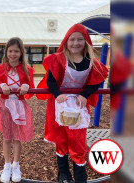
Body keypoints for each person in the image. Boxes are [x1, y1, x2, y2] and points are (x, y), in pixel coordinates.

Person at [37, 24, 108, 183]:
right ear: (66, 42)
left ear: (86, 41)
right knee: (61, 139)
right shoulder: (59, 59)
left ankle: (80, 177)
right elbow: (51, 80)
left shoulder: (91, 62)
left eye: (80, 39)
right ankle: (64, 175)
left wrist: (85, 95)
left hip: (79, 105)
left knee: (78, 140)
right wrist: (58, 94)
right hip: (60, 105)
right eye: (72, 39)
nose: (76, 43)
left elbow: (96, 81)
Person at [0, 37, 35, 183]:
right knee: (7, 137)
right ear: (6, 52)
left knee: (17, 137)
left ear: (21, 52)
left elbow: (32, 90)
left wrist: (26, 87)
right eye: (10, 51)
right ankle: (7, 165)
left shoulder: (27, 70)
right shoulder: (0, 68)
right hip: (5, 106)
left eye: (16, 51)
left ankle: (16, 165)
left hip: (19, 106)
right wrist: (2, 85)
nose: (13, 54)